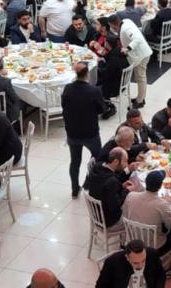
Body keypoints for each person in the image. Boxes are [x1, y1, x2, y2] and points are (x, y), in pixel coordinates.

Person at [62, 61, 104, 196]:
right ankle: (89, 182)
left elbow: (64, 106)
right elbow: (101, 109)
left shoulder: (68, 88)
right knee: (98, 157)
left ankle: (74, 188)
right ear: (87, 74)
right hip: (90, 132)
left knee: (75, 162)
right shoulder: (94, 91)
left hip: (73, 132)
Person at [109, 14, 153, 109]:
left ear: (113, 25)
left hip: (142, 55)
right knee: (140, 77)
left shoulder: (125, 29)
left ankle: (140, 101)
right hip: (140, 54)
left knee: (141, 78)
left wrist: (127, 48)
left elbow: (137, 39)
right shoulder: (126, 21)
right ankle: (140, 97)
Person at [84, 147, 130, 229]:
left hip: (97, 213)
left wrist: (121, 186)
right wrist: (127, 191)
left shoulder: (97, 167)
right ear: (116, 161)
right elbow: (116, 206)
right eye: (125, 161)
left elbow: (105, 188)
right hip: (108, 219)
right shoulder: (111, 181)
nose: (126, 164)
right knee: (134, 208)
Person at [122, 170, 171, 241]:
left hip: (132, 236)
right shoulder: (163, 204)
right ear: (160, 186)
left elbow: (125, 215)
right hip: (153, 243)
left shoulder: (131, 195)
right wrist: (168, 204)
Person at [95, 239, 166, 288]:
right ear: (127, 257)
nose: (140, 266)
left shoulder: (152, 254)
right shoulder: (112, 262)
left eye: (143, 261)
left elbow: (161, 275)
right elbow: (100, 286)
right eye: (135, 263)